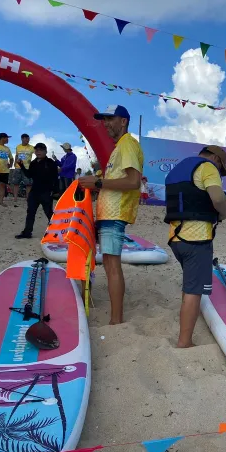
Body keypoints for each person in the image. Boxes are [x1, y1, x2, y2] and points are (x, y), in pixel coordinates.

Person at [78, 105, 144, 325]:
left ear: (123, 121)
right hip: (109, 213)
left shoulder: (127, 144)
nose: (105, 124)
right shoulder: (121, 146)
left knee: (112, 265)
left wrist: (98, 182)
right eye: (103, 120)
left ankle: (117, 321)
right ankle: (115, 318)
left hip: (115, 213)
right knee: (108, 263)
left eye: (109, 119)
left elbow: (133, 181)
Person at [165, 145, 226, 348]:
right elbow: (218, 198)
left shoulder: (178, 168)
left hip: (176, 238)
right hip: (196, 239)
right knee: (194, 291)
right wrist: (223, 213)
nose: (219, 173)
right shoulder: (208, 167)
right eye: (221, 169)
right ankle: (185, 342)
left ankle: (185, 335)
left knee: (189, 286)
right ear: (216, 159)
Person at [15, 143, 58, 239]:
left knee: (49, 213)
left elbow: (55, 178)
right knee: (30, 212)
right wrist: (21, 165)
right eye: (36, 150)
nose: (38, 152)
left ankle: (57, 232)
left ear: (45, 151)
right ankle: (27, 233)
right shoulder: (33, 163)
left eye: (41, 150)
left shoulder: (50, 162)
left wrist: (55, 191)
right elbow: (29, 175)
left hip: (46, 192)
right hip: (34, 192)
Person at [9, 133, 34, 202]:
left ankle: (28, 198)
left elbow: (38, 154)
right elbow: (17, 155)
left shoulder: (32, 148)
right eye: (26, 139)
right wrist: (14, 162)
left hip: (27, 168)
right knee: (16, 183)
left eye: (28, 139)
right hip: (18, 167)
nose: (27, 140)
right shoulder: (18, 147)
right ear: (22, 139)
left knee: (28, 184)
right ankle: (15, 198)